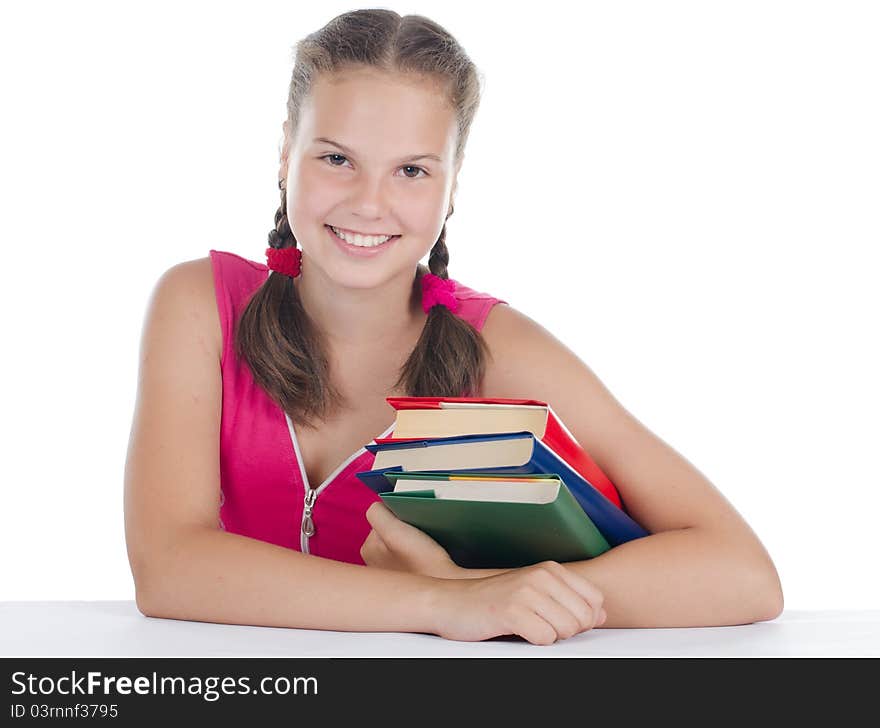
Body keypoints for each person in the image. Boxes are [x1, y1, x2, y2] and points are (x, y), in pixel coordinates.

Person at [123, 9, 783, 646]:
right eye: (335, 159)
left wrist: (489, 588)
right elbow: (169, 568)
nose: (369, 202)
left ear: (453, 185)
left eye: (411, 170)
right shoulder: (200, 305)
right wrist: (446, 601)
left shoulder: (498, 347)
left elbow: (742, 575)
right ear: (283, 155)